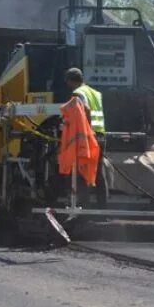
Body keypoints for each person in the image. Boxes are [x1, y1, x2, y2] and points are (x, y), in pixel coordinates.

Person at [64, 67, 107, 207]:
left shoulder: (78, 93)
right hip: (101, 135)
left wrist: (86, 131)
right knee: (99, 173)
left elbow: (86, 109)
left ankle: (84, 208)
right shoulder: (95, 93)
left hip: (89, 137)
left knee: (81, 171)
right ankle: (102, 208)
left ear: (71, 81)